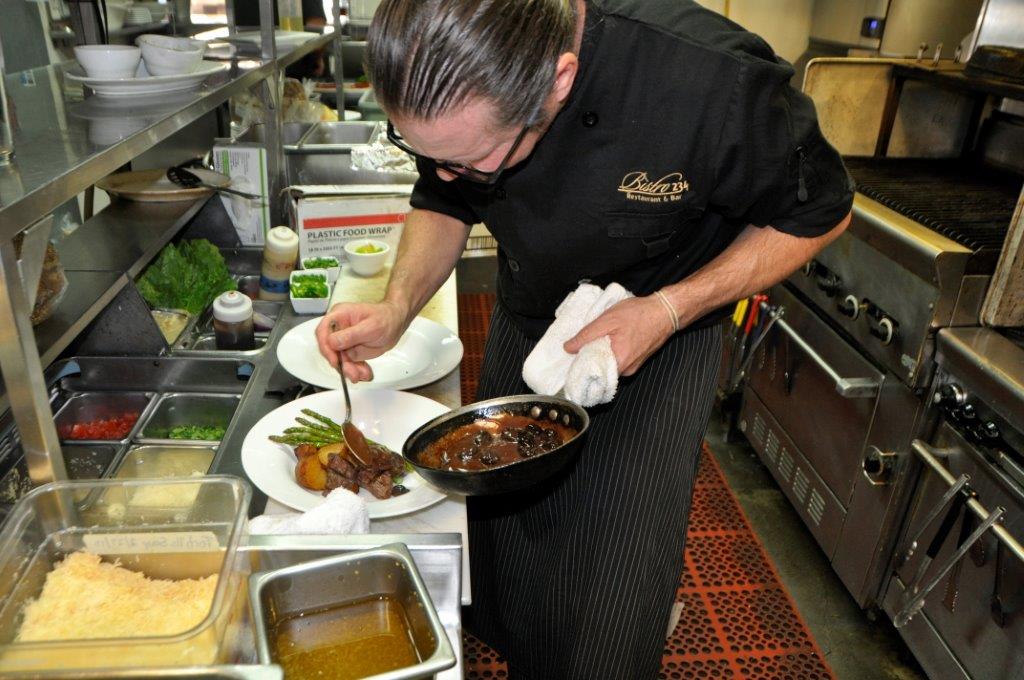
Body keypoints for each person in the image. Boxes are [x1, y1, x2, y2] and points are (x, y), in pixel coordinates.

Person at [315, 1, 854, 677]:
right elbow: (444, 198)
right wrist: (396, 307)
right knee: (507, 546)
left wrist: (667, 310)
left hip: (661, 333)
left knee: (614, 583)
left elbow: (820, 213)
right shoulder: (455, 81)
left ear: (558, 80)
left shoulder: (712, 83)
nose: (447, 173)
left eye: (475, 160)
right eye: (427, 154)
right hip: (529, 318)